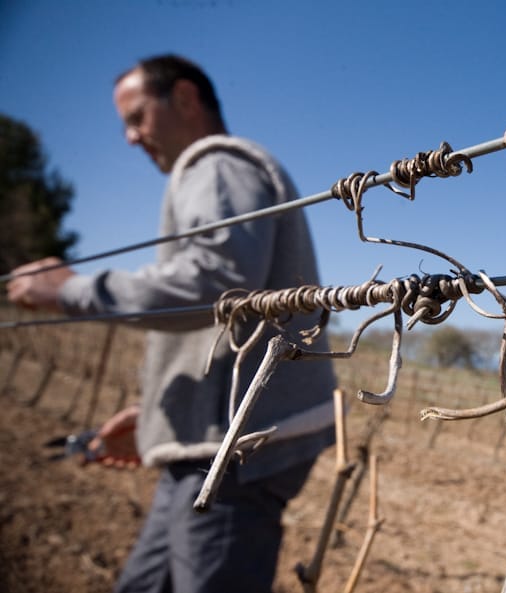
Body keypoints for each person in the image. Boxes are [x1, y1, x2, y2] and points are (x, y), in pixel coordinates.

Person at [6, 54, 337, 593]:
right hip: (210, 440)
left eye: (137, 118)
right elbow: (226, 309)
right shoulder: (219, 173)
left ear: (184, 98)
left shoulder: (216, 163)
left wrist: (68, 290)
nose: (131, 139)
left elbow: (217, 283)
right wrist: (160, 413)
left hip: (232, 451)